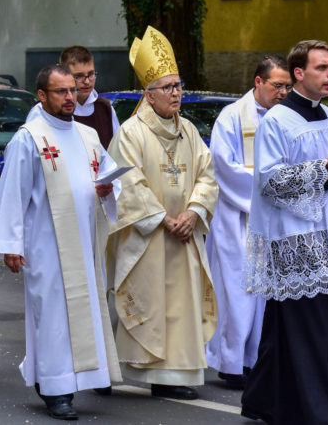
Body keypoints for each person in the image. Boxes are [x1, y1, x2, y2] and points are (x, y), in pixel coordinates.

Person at [241, 40, 328, 425]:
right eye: (322, 68)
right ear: (299, 73)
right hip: (291, 237)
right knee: (314, 324)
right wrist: (323, 169)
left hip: (325, 232)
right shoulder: (277, 121)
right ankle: (324, 408)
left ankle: (264, 400)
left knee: (285, 324)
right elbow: (268, 180)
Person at [0, 64, 122, 420]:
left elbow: (107, 180)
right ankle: (55, 389)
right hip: (46, 245)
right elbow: (13, 192)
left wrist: (107, 190)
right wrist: (11, 244)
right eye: (61, 91)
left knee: (83, 312)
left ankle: (75, 379)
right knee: (52, 316)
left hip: (84, 238)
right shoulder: (30, 137)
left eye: (72, 90)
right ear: (42, 96)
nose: (70, 97)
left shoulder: (88, 136)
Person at [106, 26, 219, 400]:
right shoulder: (131, 133)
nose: (176, 93)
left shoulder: (188, 130)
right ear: (149, 95)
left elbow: (207, 174)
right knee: (153, 302)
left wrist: (194, 211)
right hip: (149, 235)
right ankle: (151, 372)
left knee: (182, 306)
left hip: (183, 232)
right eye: (168, 87)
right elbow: (129, 182)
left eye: (178, 85)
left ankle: (177, 375)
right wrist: (162, 218)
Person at [204, 55, 290, 389]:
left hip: (274, 221)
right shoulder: (231, 118)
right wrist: (272, 185)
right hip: (237, 219)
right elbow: (225, 167)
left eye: (287, 86)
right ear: (258, 82)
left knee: (266, 294)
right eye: (277, 85)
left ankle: (256, 360)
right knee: (237, 292)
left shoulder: (286, 118)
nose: (283, 92)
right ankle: (231, 362)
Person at [27, 46, 120, 148]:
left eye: (91, 74)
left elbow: (116, 149)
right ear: (65, 75)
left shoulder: (105, 108)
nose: (87, 81)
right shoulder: (44, 110)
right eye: (79, 76)